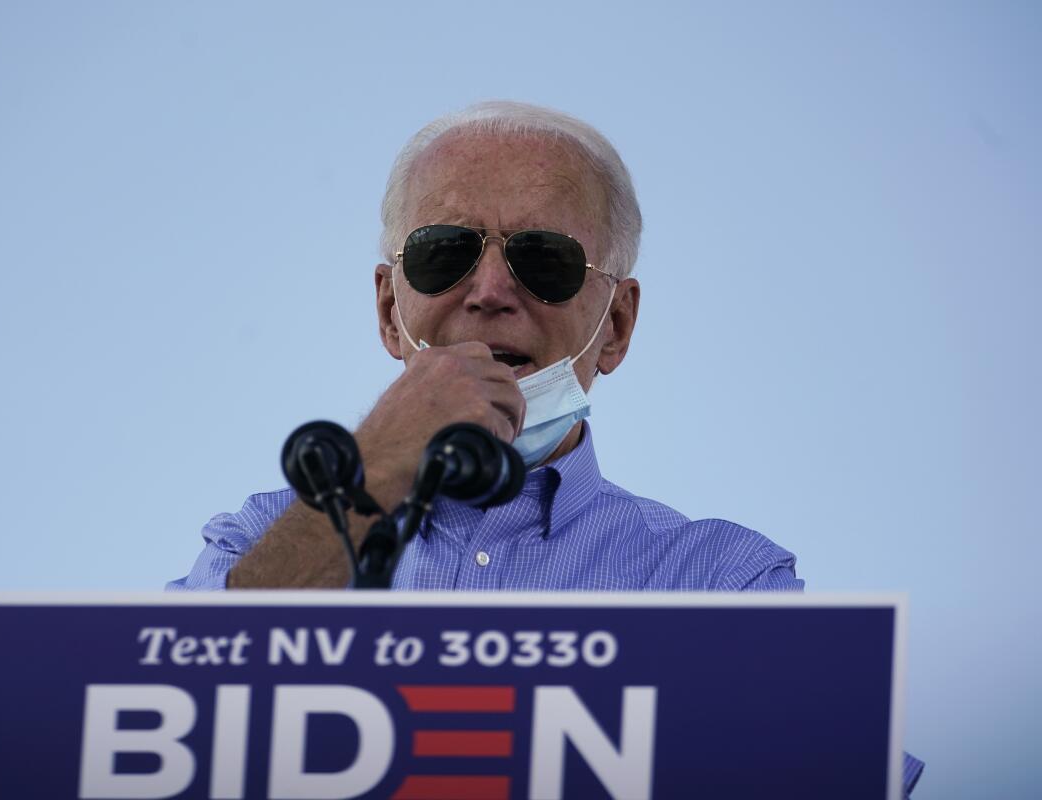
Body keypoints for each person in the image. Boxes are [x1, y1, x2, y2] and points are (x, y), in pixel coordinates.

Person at [167, 100, 922, 793]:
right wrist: (376, 459)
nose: (490, 289)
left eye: (545, 259)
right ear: (390, 311)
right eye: (443, 251)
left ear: (618, 326)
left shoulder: (726, 586)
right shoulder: (256, 540)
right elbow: (170, 735)